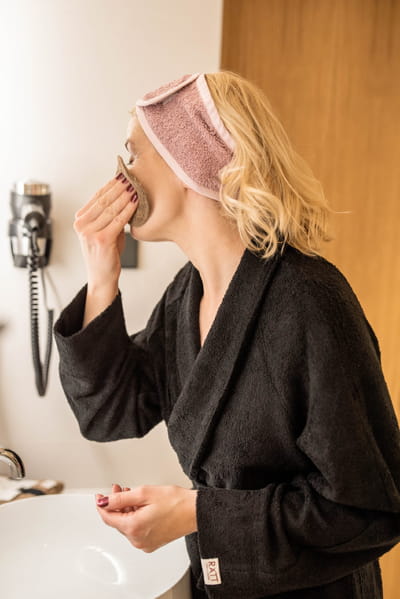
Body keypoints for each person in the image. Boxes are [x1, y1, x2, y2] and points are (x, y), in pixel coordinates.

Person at [54, 71, 400, 599]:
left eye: (134, 152)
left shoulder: (310, 301)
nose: (121, 172)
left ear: (190, 159)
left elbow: (368, 507)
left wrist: (197, 512)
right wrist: (102, 276)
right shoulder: (185, 295)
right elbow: (108, 413)